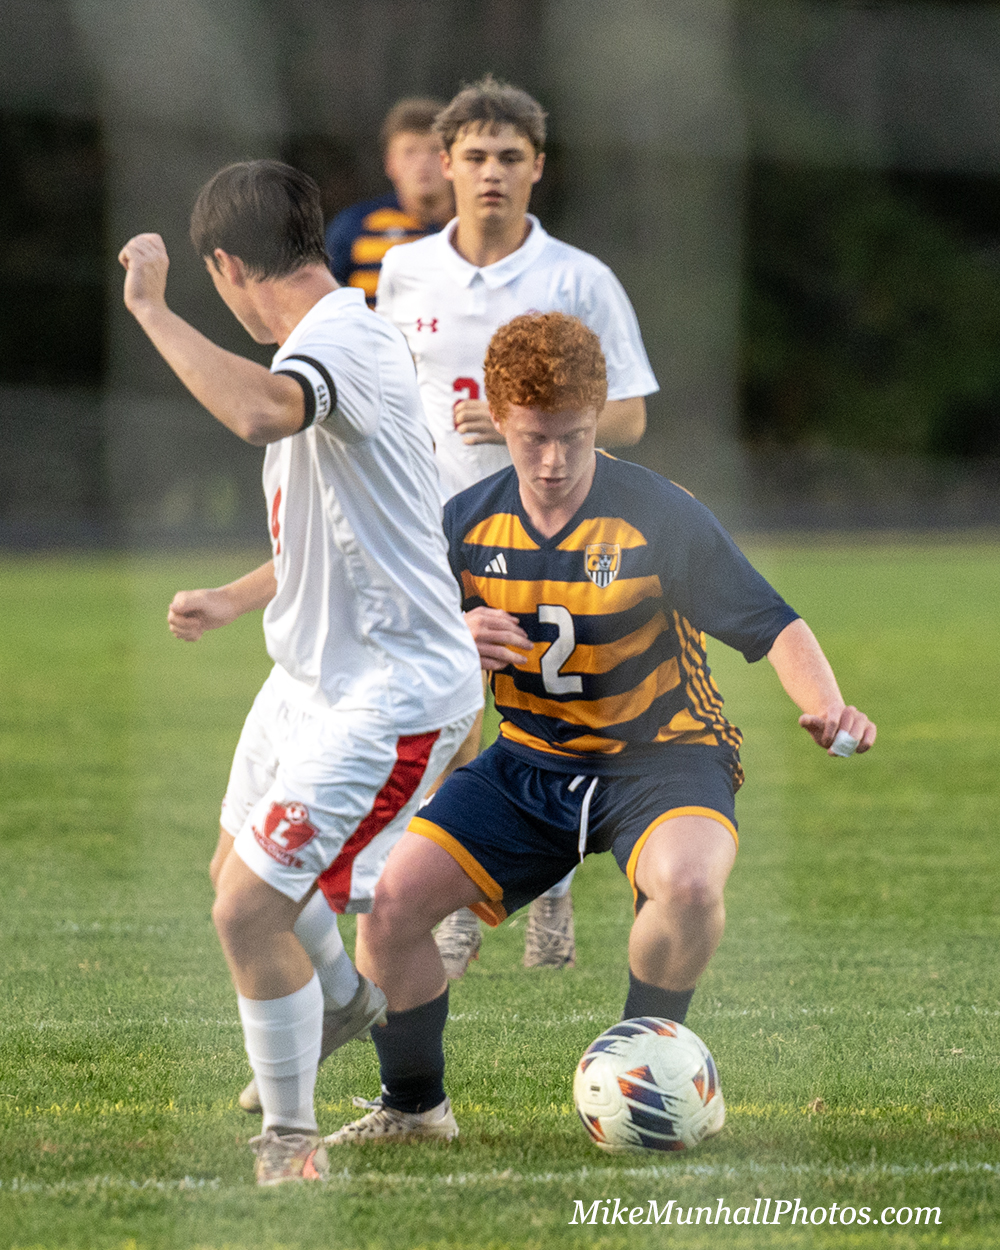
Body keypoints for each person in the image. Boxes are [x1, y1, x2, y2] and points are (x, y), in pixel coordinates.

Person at [326, 312, 876, 1145]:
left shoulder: (659, 515)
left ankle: (643, 1068)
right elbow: (387, 646)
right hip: (528, 763)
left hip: (666, 757)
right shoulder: (465, 524)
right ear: (498, 419)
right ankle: (413, 1109)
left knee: (689, 887)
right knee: (390, 905)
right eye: (533, 438)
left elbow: (772, 623)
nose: (553, 461)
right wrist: (453, 638)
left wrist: (828, 703)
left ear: (597, 420)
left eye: (574, 438)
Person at [118, 159, 482, 1184]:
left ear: (226, 266)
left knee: (247, 908)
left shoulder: (339, 343)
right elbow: (342, 531)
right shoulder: (333, 341)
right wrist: (236, 598)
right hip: (307, 681)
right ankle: (344, 1000)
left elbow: (262, 412)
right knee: (230, 873)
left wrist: (151, 311)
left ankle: (288, 1144)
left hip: (391, 690)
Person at [377, 75, 660, 974]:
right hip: (430, 531)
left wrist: (521, 425)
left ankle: (547, 888)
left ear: (538, 166)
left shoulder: (577, 279)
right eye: (475, 156)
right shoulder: (404, 272)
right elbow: (385, 396)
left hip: (549, 532)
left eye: (509, 156)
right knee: (444, 709)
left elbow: (629, 416)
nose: (491, 171)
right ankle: (458, 903)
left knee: (536, 720)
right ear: (445, 164)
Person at [326, 97, 453, 306]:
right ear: (390, 163)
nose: (423, 162)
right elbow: (324, 307)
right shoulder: (353, 227)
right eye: (410, 151)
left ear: (453, 159)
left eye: (434, 150)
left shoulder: (475, 225)